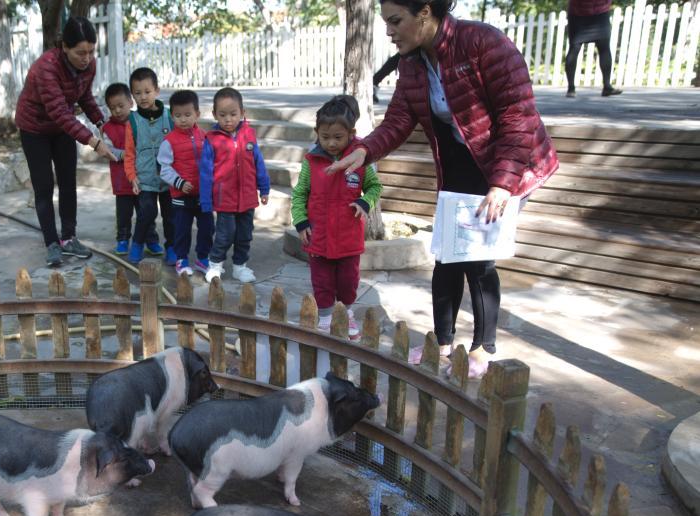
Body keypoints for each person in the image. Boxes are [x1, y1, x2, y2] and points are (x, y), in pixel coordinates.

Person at [328, 0, 558, 378]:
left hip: (508, 162)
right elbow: (399, 119)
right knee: (447, 254)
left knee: (478, 259)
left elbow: (519, 118)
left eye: (395, 21)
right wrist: (365, 151)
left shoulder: (483, 43)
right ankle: (443, 341)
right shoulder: (412, 63)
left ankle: (484, 348)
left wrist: (503, 184)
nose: (389, 31)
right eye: (386, 22)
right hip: (460, 161)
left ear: (425, 13)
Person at [14, 16, 116, 266]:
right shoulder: (45, 68)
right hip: (34, 128)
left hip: (62, 128)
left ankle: (69, 238)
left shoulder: (88, 66)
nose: (87, 58)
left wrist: (104, 124)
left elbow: (85, 98)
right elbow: (60, 112)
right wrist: (94, 142)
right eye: (81, 52)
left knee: (68, 182)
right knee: (44, 186)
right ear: (64, 47)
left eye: (91, 52)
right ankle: (51, 243)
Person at [291, 95, 383, 340]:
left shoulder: (362, 159)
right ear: (317, 132)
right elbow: (300, 194)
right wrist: (301, 222)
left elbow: (375, 187)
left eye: (338, 137)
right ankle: (325, 317)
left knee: (348, 282)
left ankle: (346, 313)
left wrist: (365, 202)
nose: (331, 143)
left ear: (351, 133)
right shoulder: (311, 161)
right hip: (318, 237)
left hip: (348, 238)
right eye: (325, 137)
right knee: (321, 282)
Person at [199, 87, 271, 284]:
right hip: (225, 199)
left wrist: (264, 188)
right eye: (222, 115)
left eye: (233, 114)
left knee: (244, 235)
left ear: (242, 113)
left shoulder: (249, 135)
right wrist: (205, 200)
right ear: (214, 115)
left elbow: (259, 163)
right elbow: (205, 172)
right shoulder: (211, 140)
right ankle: (215, 265)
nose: (228, 119)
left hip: (247, 197)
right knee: (225, 234)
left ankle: (240, 267)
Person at [158, 90, 214, 276]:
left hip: (203, 195)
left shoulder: (205, 136)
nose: (183, 119)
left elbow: (211, 161)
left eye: (188, 115)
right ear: (171, 116)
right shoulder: (169, 142)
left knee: (207, 228)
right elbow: (164, 168)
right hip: (181, 197)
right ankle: (181, 259)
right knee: (181, 230)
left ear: (197, 114)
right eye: (178, 115)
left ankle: (202, 258)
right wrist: (179, 183)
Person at [124, 67, 175, 265]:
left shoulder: (170, 117)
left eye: (147, 91)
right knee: (146, 213)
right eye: (137, 93)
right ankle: (137, 243)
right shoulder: (133, 122)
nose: (143, 97)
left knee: (171, 216)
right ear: (132, 96)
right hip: (144, 180)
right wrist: (132, 176)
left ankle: (171, 246)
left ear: (157, 91)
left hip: (169, 180)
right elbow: (129, 154)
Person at [101, 82, 137, 256]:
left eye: (121, 106)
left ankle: (151, 239)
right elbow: (108, 150)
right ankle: (122, 240)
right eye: (113, 107)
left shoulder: (140, 121)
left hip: (141, 179)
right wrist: (127, 154)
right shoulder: (107, 129)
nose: (118, 111)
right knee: (123, 215)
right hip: (122, 182)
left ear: (131, 102)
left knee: (146, 212)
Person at [565, 0, 622, 98]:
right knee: (604, 49)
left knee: (574, 48)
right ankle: (607, 86)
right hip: (597, 11)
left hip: (579, 12)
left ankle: (571, 89)